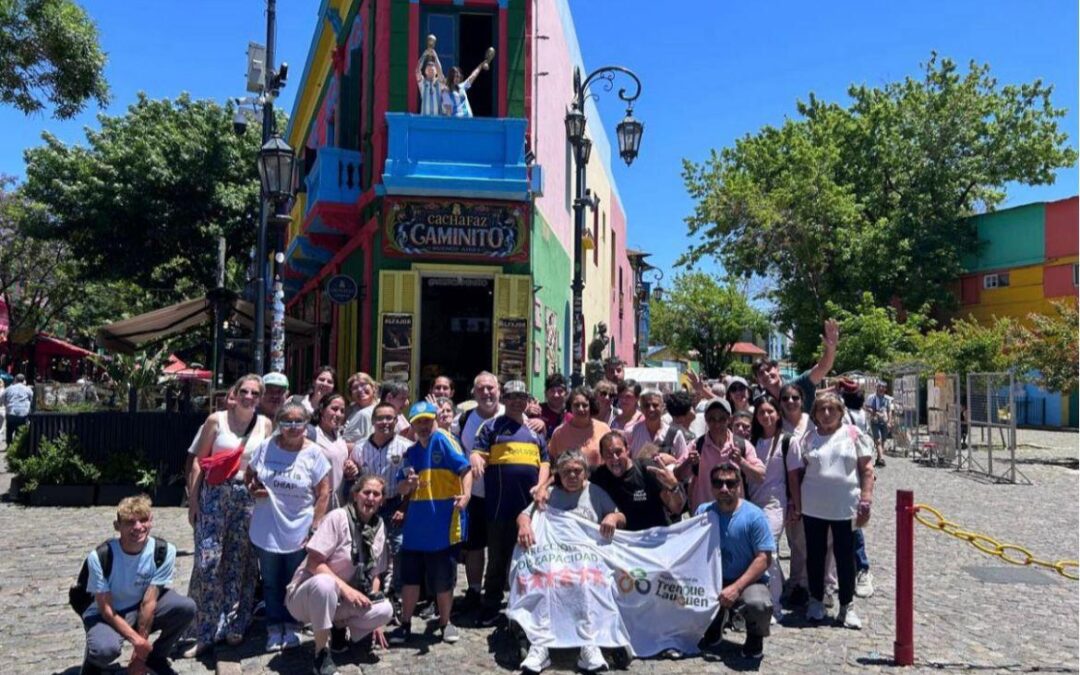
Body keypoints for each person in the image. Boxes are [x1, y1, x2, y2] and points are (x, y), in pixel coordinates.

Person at [515, 450, 624, 674]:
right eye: (567, 472)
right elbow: (524, 514)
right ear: (558, 474)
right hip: (554, 554)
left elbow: (620, 516)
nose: (573, 475)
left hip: (587, 557)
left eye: (577, 471)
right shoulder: (549, 493)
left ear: (585, 473)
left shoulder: (595, 492)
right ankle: (541, 645)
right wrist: (524, 525)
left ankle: (588, 644)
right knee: (545, 581)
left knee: (586, 581)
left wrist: (612, 517)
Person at [185, 374, 272, 655]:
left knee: (240, 562)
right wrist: (194, 500)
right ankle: (205, 629)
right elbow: (197, 461)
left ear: (260, 397)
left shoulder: (265, 424)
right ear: (234, 394)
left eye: (255, 393)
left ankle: (235, 622)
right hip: (214, 494)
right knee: (207, 562)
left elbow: (265, 465)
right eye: (244, 391)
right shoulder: (216, 420)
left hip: (246, 496)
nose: (249, 397)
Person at [285, 475, 395, 675]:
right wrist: (346, 590)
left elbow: (376, 574)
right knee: (326, 584)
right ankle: (321, 655)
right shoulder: (338, 517)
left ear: (382, 500)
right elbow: (313, 562)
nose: (370, 498)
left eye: (376, 494)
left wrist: (375, 624)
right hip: (306, 596)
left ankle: (338, 628)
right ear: (355, 495)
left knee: (385, 609)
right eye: (366, 492)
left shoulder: (379, 528)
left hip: (340, 601)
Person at [246, 400, 332, 651]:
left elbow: (324, 492)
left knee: (294, 581)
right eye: (287, 422)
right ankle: (274, 628)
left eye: (299, 421)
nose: (293, 427)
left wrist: (315, 526)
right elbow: (249, 475)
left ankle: (293, 626)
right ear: (279, 424)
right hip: (267, 527)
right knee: (271, 581)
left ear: (306, 424)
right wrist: (253, 488)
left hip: (299, 528)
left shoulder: (314, 452)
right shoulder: (266, 447)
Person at [79, 495, 195, 675]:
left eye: (143, 520)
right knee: (104, 649)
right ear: (117, 526)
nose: (138, 527)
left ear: (151, 521)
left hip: (140, 606)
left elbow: (149, 602)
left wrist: (139, 658)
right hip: (107, 613)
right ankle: (93, 662)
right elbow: (107, 610)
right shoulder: (101, 556)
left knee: (185, 607)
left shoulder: (163, 551)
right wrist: (137, 641)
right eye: (130, 522)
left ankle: (155, 657)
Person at [389, 401, 472, 645]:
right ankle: (405, 624)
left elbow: (465, 470)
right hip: (415, 529)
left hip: (442, 527)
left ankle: (446, 623)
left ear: (434, 419)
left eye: (427, 420)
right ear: (412, 425)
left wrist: (466, 496)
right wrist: (409, 485)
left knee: (443, 580)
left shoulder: (443, 441)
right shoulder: (410, 452)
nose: (424, 426)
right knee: (410, 580)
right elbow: (401, 487)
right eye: (419, 422)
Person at [470, 380, 550, 626]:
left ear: (528, 401)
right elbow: (477, 451)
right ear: (504, 400)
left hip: (529, 509)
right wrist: (475, 458)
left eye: (522, 397)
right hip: (499, 506)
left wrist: (541, 485)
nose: (517, 401)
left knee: (530, 558)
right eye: (512, 396)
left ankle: (528, 604)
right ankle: (491, 605)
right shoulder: (491, 426)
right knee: (498, 559)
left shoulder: (535, 430)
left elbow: (545, 462)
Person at [797, 392, 875, 629]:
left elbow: (867, 469)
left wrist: (866, 500)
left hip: (845, 507)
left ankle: (846, 605)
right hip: (813, 507)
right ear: (815, 414)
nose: (827, 413)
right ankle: (816, 600)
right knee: (815, 555)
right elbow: (802, 470)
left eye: (832, 409)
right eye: (822, 409)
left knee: (845, 557)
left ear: (841, 412)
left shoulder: (853, 434)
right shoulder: (809, 437)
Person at [696, 463, 774, 660]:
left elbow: (764, 558)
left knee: (758, 604)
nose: (724, 488)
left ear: (739, 485)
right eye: (718, 483)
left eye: (730, 483)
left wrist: (737, 588)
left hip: (748, 581)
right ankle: (714, 625)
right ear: (712, 486)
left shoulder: (754, 516)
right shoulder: (702, 512)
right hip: (713, 580)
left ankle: (755, 638)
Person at [347, 402, 411, 602]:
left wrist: (404, 506)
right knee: (367, 549)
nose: (385, 422)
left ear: (396, 421)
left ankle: (397, 593)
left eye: (389, 418)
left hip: (395, 502)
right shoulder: (359, 448)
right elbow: (353, 478)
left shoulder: (406, 447)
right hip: (368, 506)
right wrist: (351, 470)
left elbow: (412, 482)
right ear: (373, 421)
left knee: (399, 548)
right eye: (380, 418)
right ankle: (369, 590)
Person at [746, 395, 801, 621]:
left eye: (770, 411)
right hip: (751, 504)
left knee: (770, 552)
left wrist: (796, 506)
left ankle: (774, 604)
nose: (766, 416)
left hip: (774, 505)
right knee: (753, 554)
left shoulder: (788, 441)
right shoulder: (750, 441)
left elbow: (793, 477)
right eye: (761, 412)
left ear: (778, 413)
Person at [454, 372, 503, 613]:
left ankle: (496, 591)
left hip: (504, 495)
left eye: (490, 388)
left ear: (499, 390)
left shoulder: (515, 415)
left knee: (500, 546)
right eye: (481, 389)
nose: (486, 393)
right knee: (474, 546)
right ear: (473, 393)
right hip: (474, 493)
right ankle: (474, 591)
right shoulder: (462, 420)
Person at [680, 399, 765, 513]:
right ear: (706, 419)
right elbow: (677, 476)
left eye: (722, 419)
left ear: (729, 419)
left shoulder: (742, 445)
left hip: (735, 515)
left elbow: (760, 477)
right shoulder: (696, 446)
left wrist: (742, 462)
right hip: (705, 515)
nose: (717, 424)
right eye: (712, 419)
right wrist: (688, 462)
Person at [591, 431, 684, 531]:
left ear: (627, 450)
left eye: (618, 452)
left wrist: (674, 486)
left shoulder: (648, 469)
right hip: (622, 541)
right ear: (602, 457)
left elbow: (677, 509)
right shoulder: (599, 476)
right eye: (609, 454)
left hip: (656, 537)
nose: (615, 459)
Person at [752, 319, 839, 413]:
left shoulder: (800, 384)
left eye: (768, 369)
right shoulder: (762, 402)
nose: (766, 374)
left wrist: (830, 348)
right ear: (757, 379)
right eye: (761, 373)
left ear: (777, 369)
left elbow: (823, 367)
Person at [777, 383, 813, 606]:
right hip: (785, 488)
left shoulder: (812, 422)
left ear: (802, 399)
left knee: (807, 540)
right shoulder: (777, 425)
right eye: (786, 398)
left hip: (811, 487)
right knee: (793, 540)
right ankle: (796, 582)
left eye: (795, 398)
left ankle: (805, 583)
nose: (790, 402)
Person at [548, 386, 611, 467]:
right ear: (570, 406)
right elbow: (552, 461)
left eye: (585, 405)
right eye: (576, 405)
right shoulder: (559, 433)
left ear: (591, 406)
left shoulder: (604, 429)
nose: (581, 409)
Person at [309, 393, 350, 506]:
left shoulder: (339, 437)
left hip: (338, 504)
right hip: (317, 504)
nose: (338, 414)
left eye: (342, 411)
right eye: (334, 409)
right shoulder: (312, 435)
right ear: (322, 409)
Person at [626, 389, 688, 462]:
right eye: (647, 405)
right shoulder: (632, 432)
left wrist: (672, 460)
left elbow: (685, 463)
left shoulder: (675, 435)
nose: (651, 409)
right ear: (641, 408)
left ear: (663, 407)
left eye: (655, 405)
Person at [342, 372, 379, 450]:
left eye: (363, 384)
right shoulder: (347, 411)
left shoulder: (384, 407)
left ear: (373, 387)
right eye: (355, 387)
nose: (360, 389)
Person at [866, 382, 892, 468]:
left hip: (884, 422)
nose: (881, 388)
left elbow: (889, 411)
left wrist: (889, 422)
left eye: (883, 387)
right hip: (875, 421)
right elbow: (866, 407)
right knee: (878, 440)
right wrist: (876, 413)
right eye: (880, 387)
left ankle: (878, 458)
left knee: (883, 440)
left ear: (885, 389)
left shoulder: (887, 399)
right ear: (877, 388)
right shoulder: (871, 397)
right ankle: (881, 458)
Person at [2, 373, 33, 445]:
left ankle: (9, 445)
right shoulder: (28, 389)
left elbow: (2, 399)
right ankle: (17, 446)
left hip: (11, 413)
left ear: (15, 380)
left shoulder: (9, 388)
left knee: (9, 430)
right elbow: (32, 400)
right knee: (19, 431)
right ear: (24, 381)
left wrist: (6, 404)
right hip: (23, 414)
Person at [538, 373, 571, 439]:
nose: (556, 395)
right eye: (552, 391)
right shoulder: (537, 411)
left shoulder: (572, 415)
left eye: (560, 391)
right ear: (546, 393)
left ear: (566, 393)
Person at [415, 47, 445, 116]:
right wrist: (424, 55)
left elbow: (440, 72)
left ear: (436, 72)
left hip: (438, 119)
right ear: (425, 71)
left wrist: (435, 56)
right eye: (428, 68)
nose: (430, 69)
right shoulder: (422, 83)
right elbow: (417, 71)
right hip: (424, 119)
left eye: (432, 68)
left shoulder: (439, 83)